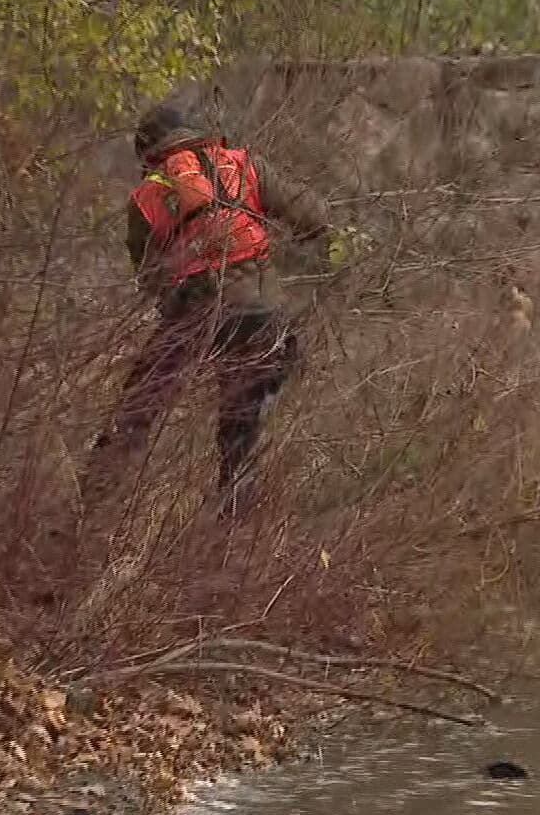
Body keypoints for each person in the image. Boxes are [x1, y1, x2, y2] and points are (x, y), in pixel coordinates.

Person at [81, 99, 354, 510]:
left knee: (136, 408)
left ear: (148, 151)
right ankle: (234, 532)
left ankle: (90, 504)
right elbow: (314, 217)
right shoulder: (245, 166)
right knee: (241, 429)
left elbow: (150, 278)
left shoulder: (147, 196)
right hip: (261, 313)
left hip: (193, 315)